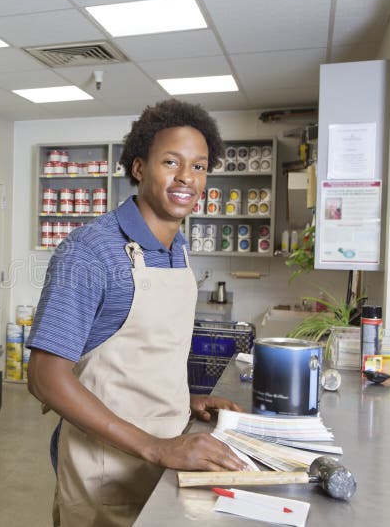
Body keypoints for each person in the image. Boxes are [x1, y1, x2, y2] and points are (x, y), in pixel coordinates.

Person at [26, 99, 248, 527]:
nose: (187, 177)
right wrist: (155, 447)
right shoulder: (91, 251)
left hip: (168, 454)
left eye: (199, 166)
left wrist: (186, 402)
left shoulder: (177, 248)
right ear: (139, 167)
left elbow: (145, 358)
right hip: (106, 472)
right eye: (171, 161)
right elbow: (44, 377)